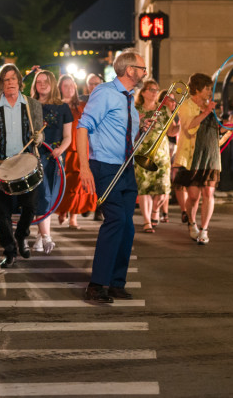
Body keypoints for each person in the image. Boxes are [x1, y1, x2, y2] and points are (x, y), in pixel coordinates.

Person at [77, 49, 147, 303]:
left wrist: (142, 130)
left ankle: (117, 282)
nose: (144, 73)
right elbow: (83, 127)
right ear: (130, 70)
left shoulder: (129, 98)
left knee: (127, 228)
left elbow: (128, 138)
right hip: (105, 167)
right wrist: (85, 167)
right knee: (115, 221)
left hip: (126, 167)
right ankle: (96, 285)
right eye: (142, 68)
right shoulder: (105, 92)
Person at [0, 63, 45, 268]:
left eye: (14, 78)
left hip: (26, 167)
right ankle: (9, 250)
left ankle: (22, 236)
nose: (10, 82)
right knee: (2, 213)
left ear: (20, 83)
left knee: (30, 207)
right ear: (1, 84)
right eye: (6, 79)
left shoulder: (33, 105)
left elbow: (40, 134)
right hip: (0, 167)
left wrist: (39, 137)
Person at [171, 74, 220, 242]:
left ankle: (205, 229)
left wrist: (231, 127)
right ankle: (192, 223)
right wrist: (207, 111)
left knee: (209, 192)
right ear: (197, 89)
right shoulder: (185, 106)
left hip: (210, 154)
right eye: (207, 89)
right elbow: (190, 126)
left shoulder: (210, 106)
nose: (210, 92)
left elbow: (214, 131)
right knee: (193, 196)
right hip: (192, 156)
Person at [30, 69, 72, 253]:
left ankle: (40, 236)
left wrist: (60, 150)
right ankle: (46, 237)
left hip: (54, 156)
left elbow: (68, 136)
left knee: (50, 198)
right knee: (43, 194)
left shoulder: (63, 107)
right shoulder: (29, 106)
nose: (42, 84)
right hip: (33, 157)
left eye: (46, 81)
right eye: (38, 81)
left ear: (53, 83)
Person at [134, 78, 178, 232]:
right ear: (143, 92)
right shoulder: (136, 110)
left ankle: (155, 211)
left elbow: (172, 132)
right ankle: (147, 221)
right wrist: (139, 124)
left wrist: (180, 124)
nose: (154, 93)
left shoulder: (163, 110)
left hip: (161, 153)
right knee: (144, 188)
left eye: (156, 90)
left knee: (162, 190)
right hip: (142, 152)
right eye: (151, 90)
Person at [55, 74, 95, 228]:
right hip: (62, 149)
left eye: (72, 85)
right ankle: (63, 209)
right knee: (63, 183)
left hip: (80, 149)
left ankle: (73, 217)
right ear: (60, 88)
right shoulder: (57, 106)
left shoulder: (82, 106)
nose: (69, 88)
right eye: (65, 86)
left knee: (78, 184)